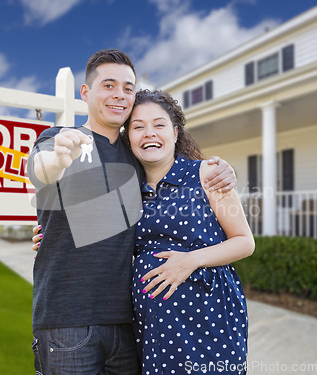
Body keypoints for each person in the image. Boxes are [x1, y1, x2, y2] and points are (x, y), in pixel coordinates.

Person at [27, 49, 237, 375]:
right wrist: (60, 158)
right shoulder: (57, 139)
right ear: (86, 92)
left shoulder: (136, 154)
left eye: (128, 87)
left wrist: (223, 170)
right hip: (67, 320)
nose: (120, 95)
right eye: (108, 85)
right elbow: (43, 171)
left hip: (130, 325)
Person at [122, 89, 255, 374]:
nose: (149, 133)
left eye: (159, 124)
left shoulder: (207, 174)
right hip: (152, 326)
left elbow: (244, 242)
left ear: (175, 132)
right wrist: (49, 238)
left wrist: (190, 260)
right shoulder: (128, 192)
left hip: (208, 317)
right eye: (138, 127)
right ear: (128, 137)